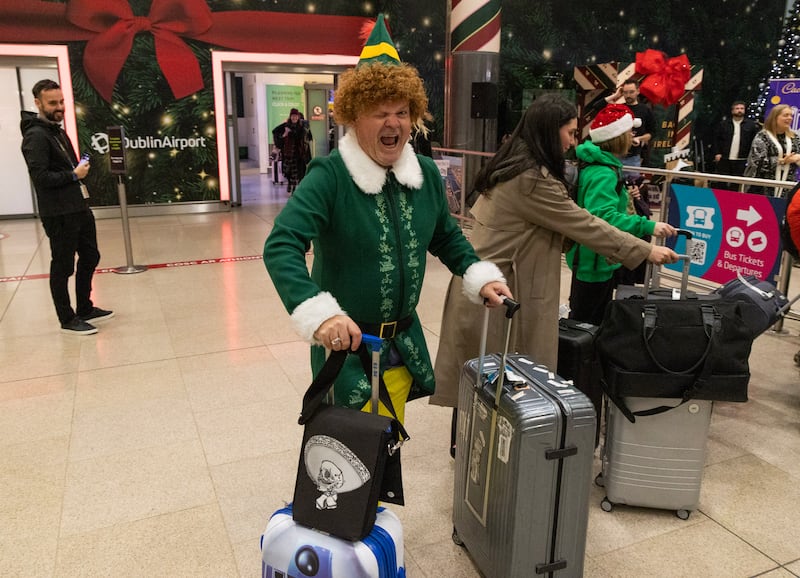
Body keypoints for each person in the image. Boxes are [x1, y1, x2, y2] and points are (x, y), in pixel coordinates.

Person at [263, 15, 512, 418]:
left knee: (386, 446)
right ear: (353, 116)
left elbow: (445, 237)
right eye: (379, 113)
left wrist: (478, 275)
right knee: (350, 461)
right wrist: (320, 313)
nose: (393, 122)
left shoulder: (425, 174)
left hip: (402, 347)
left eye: (401, 111)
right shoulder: (330, 177)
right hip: (346, 353)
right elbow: (281, 246)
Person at [430, 95, 679, 422]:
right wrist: (645, 248)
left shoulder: (517, 164)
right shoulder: (532, 179)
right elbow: (584, 223)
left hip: (491, 287)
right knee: (495, 388)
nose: (574, 142)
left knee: (485, 390)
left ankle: (479, 458)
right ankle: (489, 462)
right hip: (499, 295)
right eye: (571, 132)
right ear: (549, 131)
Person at [567, 104, 677, 325]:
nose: (632, 137)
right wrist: (647, 226)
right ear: (616, 137)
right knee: (588, 324)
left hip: (596, 258)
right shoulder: (602, 172)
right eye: (629, 132)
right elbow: (602, 217)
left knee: (587, 320)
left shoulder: (600, 166)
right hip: (595, 262)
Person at [20, 79, 113, 336]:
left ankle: (85, 307)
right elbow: (40, 177)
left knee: (91, 255)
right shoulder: (35, 136)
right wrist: (74, 175)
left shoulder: (57, 131)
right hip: (59, 212)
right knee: (62, 265)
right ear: (38, 103)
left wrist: (77, 174)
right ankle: (67, 317)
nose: (59, 107)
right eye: (53, 103)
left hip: (78, 206)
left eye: (62, 102)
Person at [744, 104, 800, 197]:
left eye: (791, 115)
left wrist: (797, 158)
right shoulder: (763, 136)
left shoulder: (794, 138)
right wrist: (781, 161)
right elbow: (757, 162)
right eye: (785, 115)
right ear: (775, 117)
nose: (790, 118)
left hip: (787, 187)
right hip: (763, 187)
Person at [606, 79, 656, 173]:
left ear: (638, 91)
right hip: (615, 155)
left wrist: (639, 139)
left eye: (631, 92)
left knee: (632, 185)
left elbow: (652, 133)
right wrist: (615, 95)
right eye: (625, 92)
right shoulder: (619, 109)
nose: (628, 95)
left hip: (633, 158)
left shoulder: (645, 110)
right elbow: (597, 106)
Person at [711, 101, 760, 180]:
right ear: (732, 111)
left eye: (742, 108)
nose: (739, 110)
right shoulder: (724, 124)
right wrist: (717, 153)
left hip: (742, 159)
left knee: (737, 182)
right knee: (721, 181)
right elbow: (716, 139)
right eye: (737, 108)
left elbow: (754, 141)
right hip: (724, 158)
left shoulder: (751, 125)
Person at [272, 108, 312, 193]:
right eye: (293, 116)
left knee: (300, 173)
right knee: (288, 172)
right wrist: (284, 135)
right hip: (288, 154)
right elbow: (275, 131)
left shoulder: (302, 126)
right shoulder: (286, 125)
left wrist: (290, 132)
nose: (294, 118)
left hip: (299, 154)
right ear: (290, 117)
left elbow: (302, 137)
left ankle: (296, 190)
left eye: (296, 116)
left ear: (298, 117)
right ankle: (291, 184)